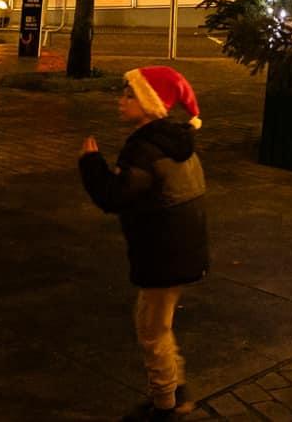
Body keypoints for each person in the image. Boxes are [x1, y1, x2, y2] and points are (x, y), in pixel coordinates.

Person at [81, 65, 209, 421]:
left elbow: (115, 196)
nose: (120, 101)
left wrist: (91, 164)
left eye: (130, 95)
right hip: (181, 248)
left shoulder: (144, 150)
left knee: (152, 330)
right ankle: (176, 388)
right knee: (155, 322)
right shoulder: (175, 141)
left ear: (151, 103)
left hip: (164, 252)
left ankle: (165, 404)